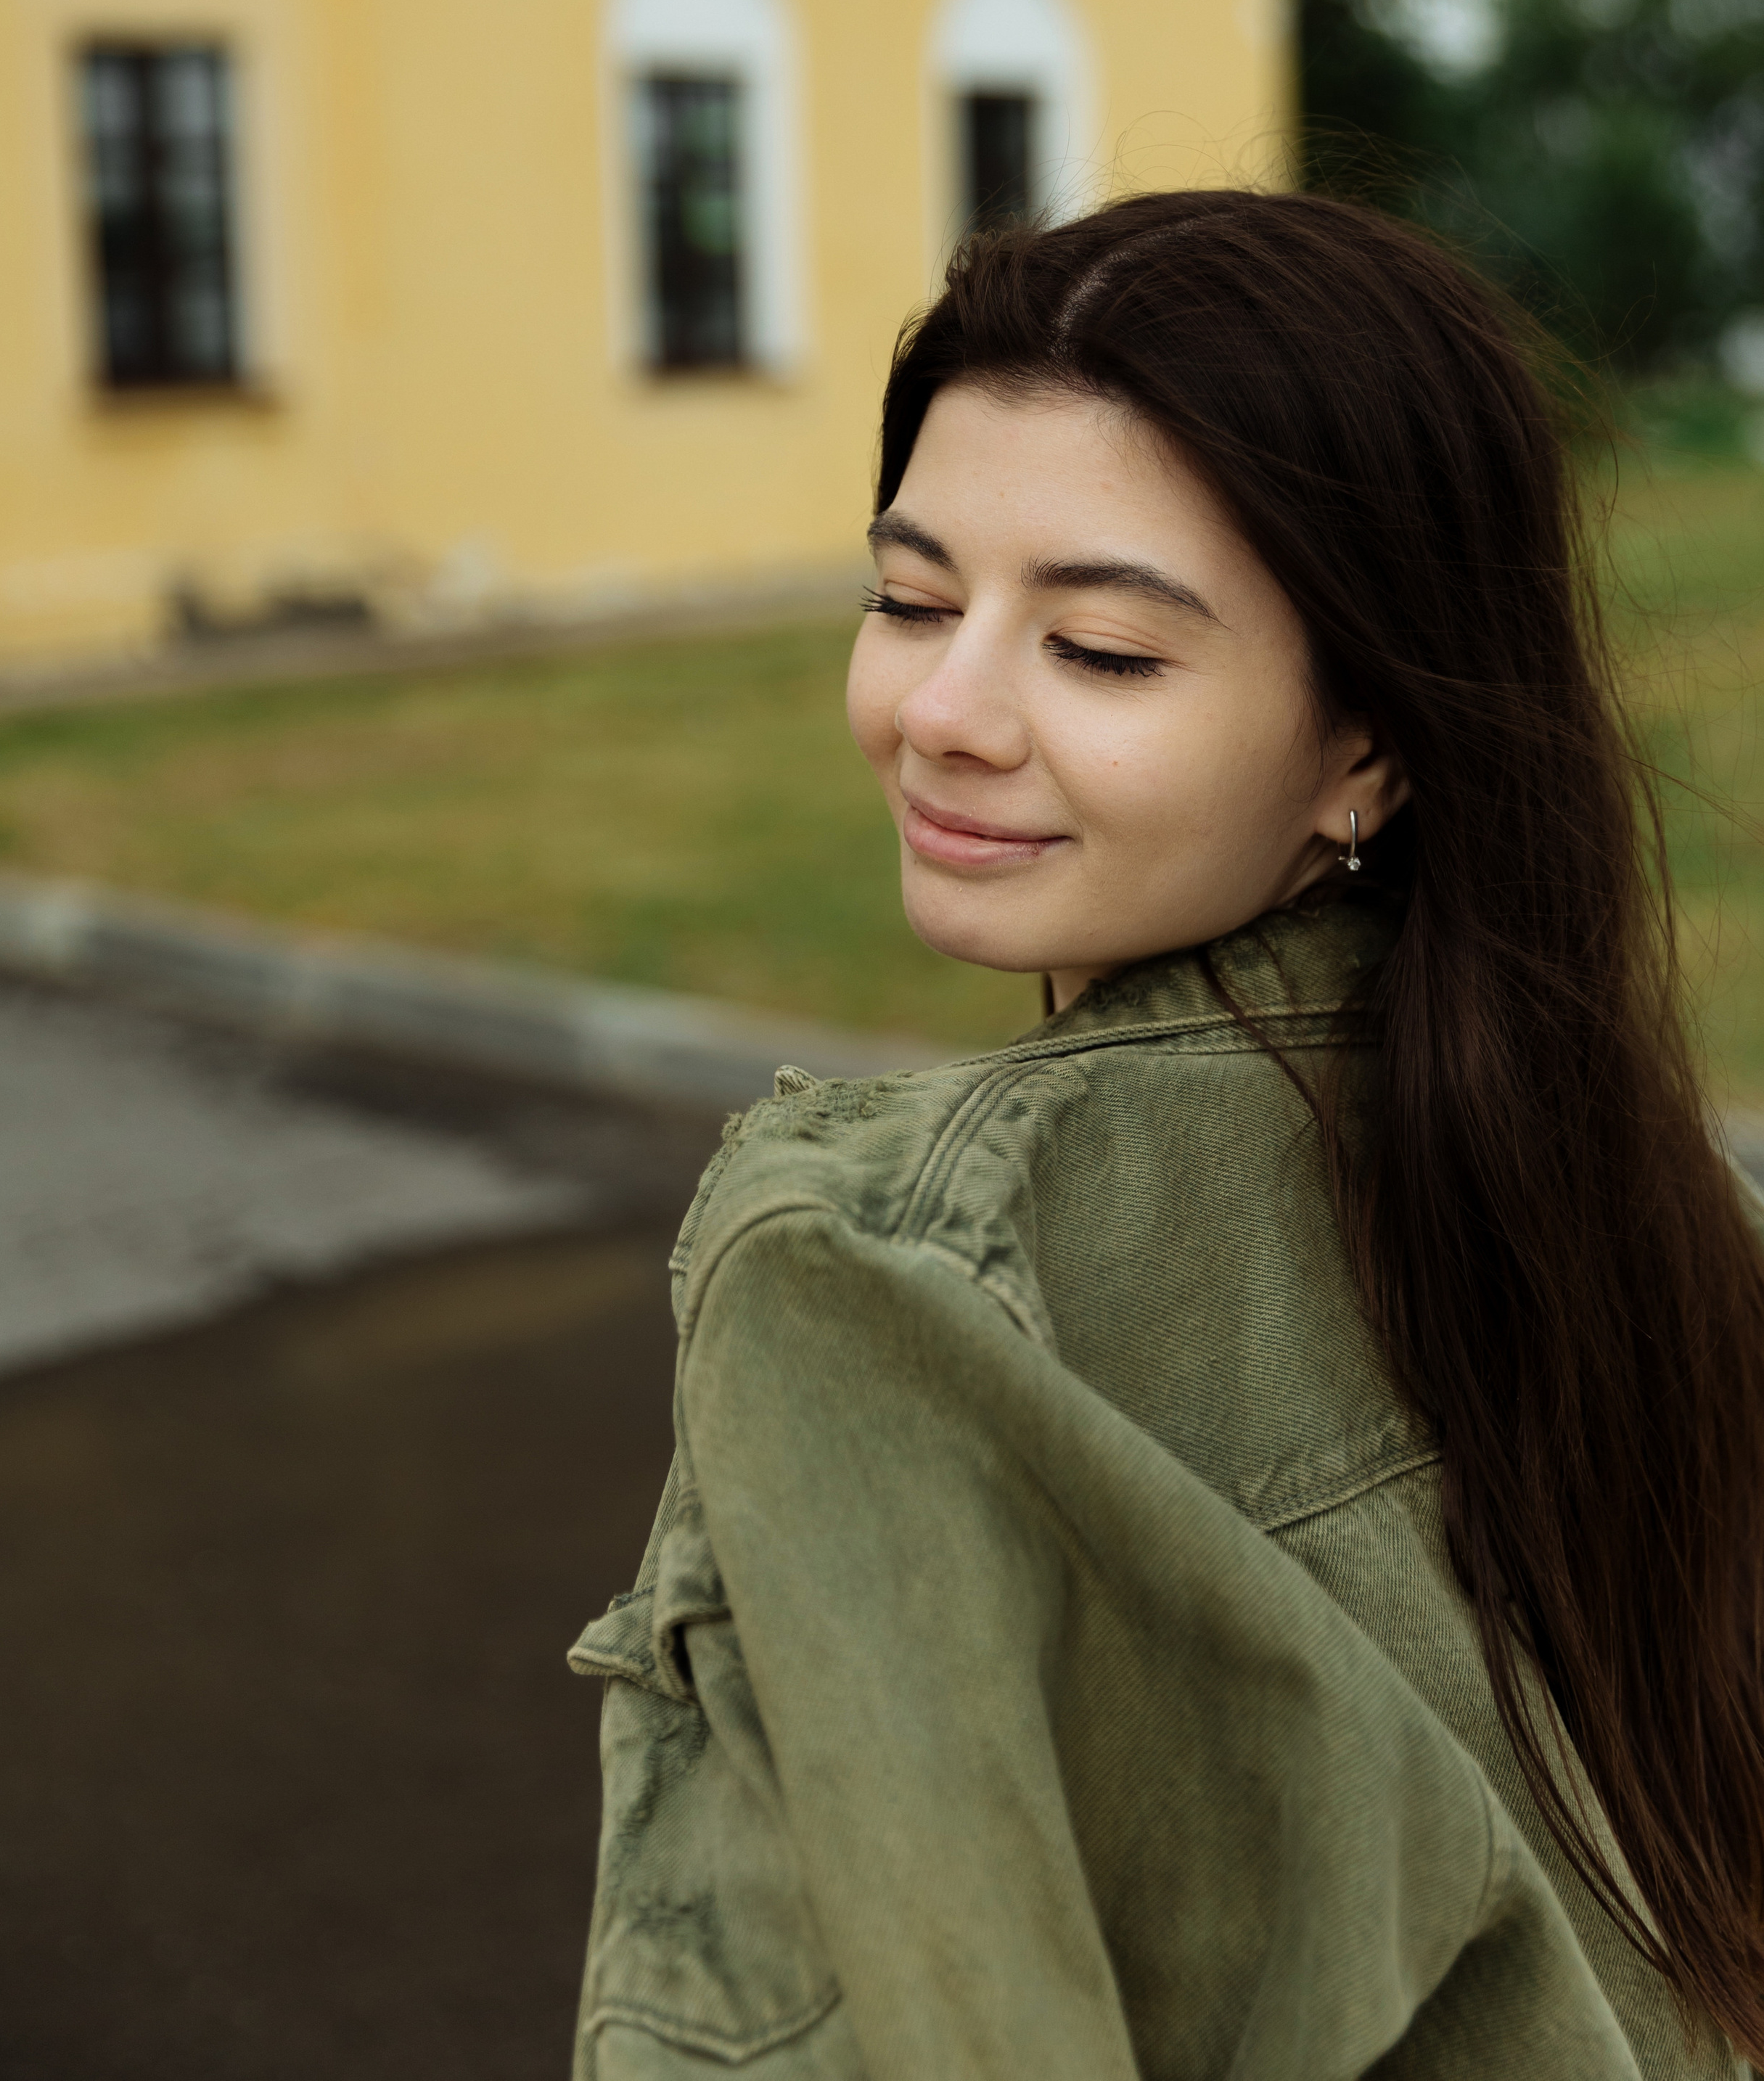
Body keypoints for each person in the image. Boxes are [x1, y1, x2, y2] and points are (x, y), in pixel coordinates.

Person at [567, 192, 1764, 2078]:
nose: (942, 713)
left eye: (1103, 650)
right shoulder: (1657, 1208)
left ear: (1370, 744)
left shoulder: (887, 1283)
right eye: (910, 599)